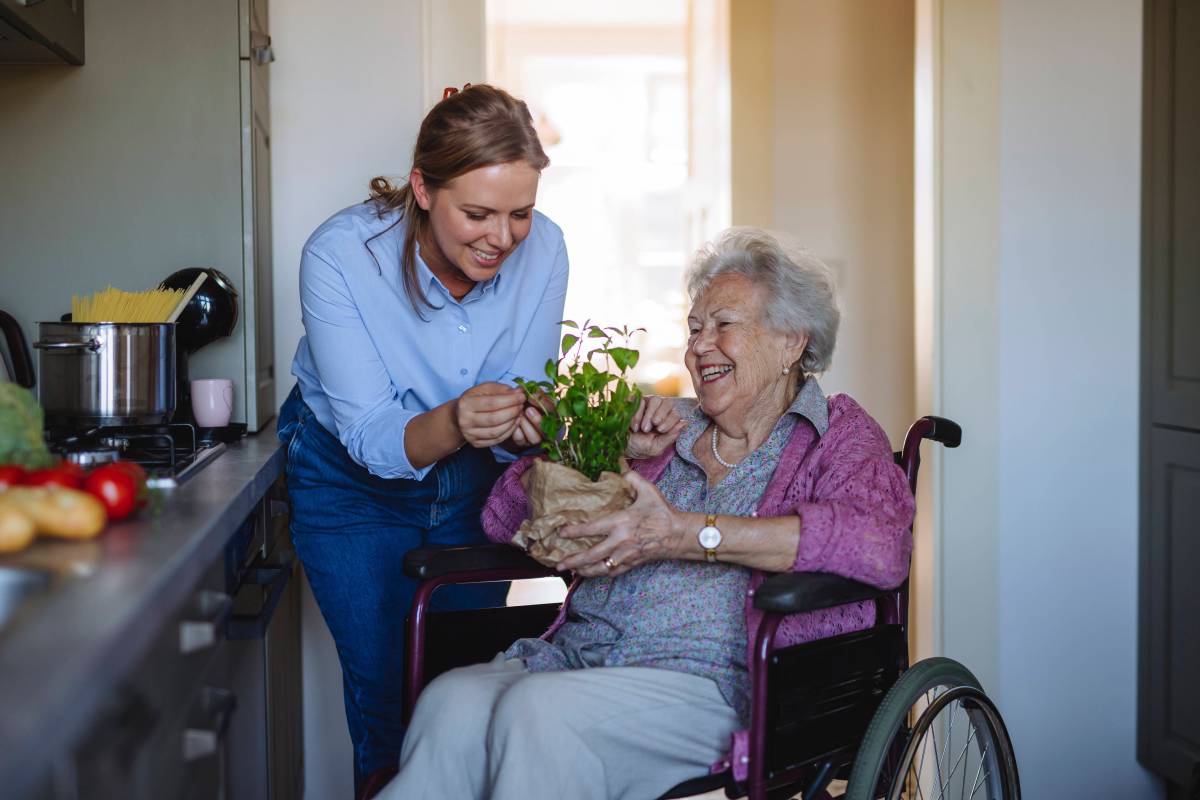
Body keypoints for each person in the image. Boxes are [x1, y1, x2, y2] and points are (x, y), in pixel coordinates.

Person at [381, 228, 918, 800]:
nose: (699, 346)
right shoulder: (663, 429)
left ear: (791, 341)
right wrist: (614, 458)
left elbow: (880, 546)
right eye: (694, 329)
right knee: (450, 704)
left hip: (723, 683)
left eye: (723, 325)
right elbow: (505, 516)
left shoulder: (836, 435)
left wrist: (688, 533)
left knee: (541, 716)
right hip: (580, 659)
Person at [276, 84, 571, 797]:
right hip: (352, 489)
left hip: (474, 486)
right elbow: (375, 437)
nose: (502, 238)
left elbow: (528, 385)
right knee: (389, 703)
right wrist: (459, 421)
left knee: (464, 693)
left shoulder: (548, 249)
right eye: (477, 213)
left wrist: (527, 422)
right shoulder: (342, 256)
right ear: (423, 188)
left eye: (520, 214)